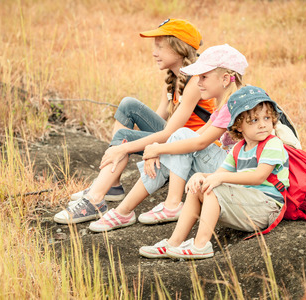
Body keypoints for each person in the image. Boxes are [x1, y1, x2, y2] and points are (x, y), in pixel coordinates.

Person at [54, 19, 216, 224]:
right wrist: (148, 147)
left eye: (159, 46)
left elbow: (167, 134)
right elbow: (160, 121)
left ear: (179, 48)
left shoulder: (195, 81)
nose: (154, 52)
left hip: (190, 151)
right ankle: (111, 183)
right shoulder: (174, 77)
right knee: (128, 105)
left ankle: (94, 200)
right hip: (175, 139)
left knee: (123, 139)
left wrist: (126, 148)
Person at [88, 44, 249, 232]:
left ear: (225, 79)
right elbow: (199, 134)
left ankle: (170, 205)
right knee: (177, 140)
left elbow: (201, 142)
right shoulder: (226, 103)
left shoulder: (235, 102)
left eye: (204, 77)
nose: (198, 83)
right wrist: (162, 148)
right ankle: (123, 211)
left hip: (236, 174)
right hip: (226, 169)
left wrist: (158, 149)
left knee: (179, 137)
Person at [139, 85, 289, 259]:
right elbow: (219, 173)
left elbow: (259, 176)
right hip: (247, 204)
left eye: (267, 118)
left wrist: (217, 178)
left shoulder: (273, 143)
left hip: (267, 206)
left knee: (213, 188)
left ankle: (201, 244)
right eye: (254, 120)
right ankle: (174, 242)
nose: (263, 124)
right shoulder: (238, 148)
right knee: (200, 187)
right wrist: (200, 176)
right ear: (238, 125)